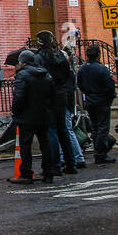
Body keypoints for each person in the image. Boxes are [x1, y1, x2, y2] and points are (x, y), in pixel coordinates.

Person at [36, 30, 81, 175]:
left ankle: (55, 165)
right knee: (63, 130)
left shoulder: (40, 57)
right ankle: (71, 163)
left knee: (51, 131)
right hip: (62, 96)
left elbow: (40, 77)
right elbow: (68, 76)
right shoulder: (60, 55)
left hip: (49, 96)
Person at [9, 49, 56, 184]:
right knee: (45, 143)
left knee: (25, 145)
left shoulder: (22, 75)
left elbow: (19, 97)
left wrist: (15, 111)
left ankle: (26, 173)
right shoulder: (46, 75)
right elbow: (53, 95)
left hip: (26, 116)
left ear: (22, 62)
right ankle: (48, 172)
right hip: (43, 114)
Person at [77, 44, 117, 164]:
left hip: (90, 100)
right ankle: (101, 155)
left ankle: (98, 152)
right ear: (99, 55)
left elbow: (80, 84)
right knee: (102, 128)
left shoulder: (82, 69)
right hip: (102, 101)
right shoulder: (102, 69)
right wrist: (110, 97)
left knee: (95, 128)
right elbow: (110, 87)